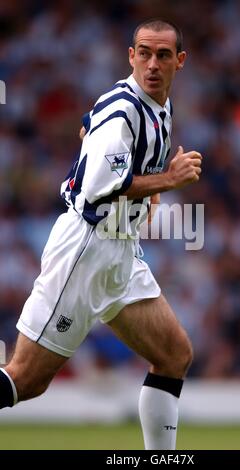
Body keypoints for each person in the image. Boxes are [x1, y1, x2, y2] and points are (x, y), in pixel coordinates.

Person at [0, 19, 202, 450]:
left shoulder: (157, 106)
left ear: (179, 62)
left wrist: (146, 192)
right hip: (87, 249)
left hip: (122, 253)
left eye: (163, 55)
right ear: (131, 56)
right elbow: (99, 186)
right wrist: (167, 180)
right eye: (143, 53)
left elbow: (89, 128)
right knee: (25, 380)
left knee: (174, 355)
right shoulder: (124, 106)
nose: (152, 63)